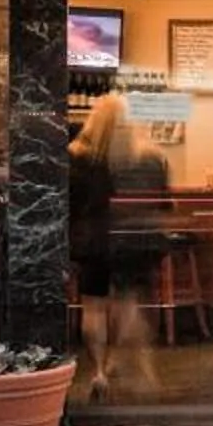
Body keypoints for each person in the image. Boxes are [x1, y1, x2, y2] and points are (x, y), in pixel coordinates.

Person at [68, 91, 164, 400]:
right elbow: (162, 203)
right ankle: (123, 363)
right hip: (129, 240)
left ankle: (98, 371)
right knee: (127, 304)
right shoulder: (146, 157)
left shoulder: (77, 157)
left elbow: (69, 205)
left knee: (93, 308)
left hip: (92, 241)